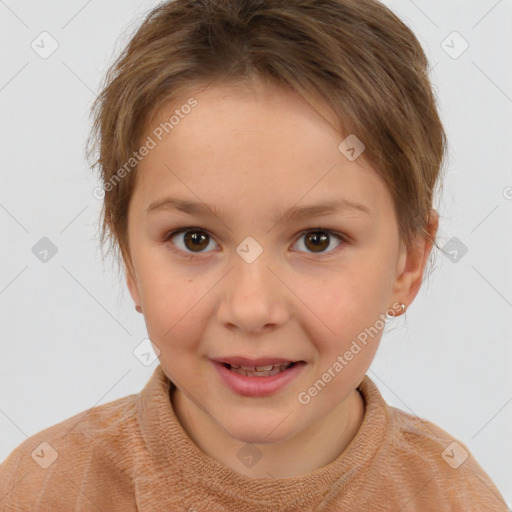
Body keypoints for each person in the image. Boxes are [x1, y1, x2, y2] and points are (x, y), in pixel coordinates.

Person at [0, 0, 509, 510]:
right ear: (129, 260)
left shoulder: (453, 496)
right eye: (194, 239)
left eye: (318, 240)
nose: (251, 308)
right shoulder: (40, 487)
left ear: (409, 262)